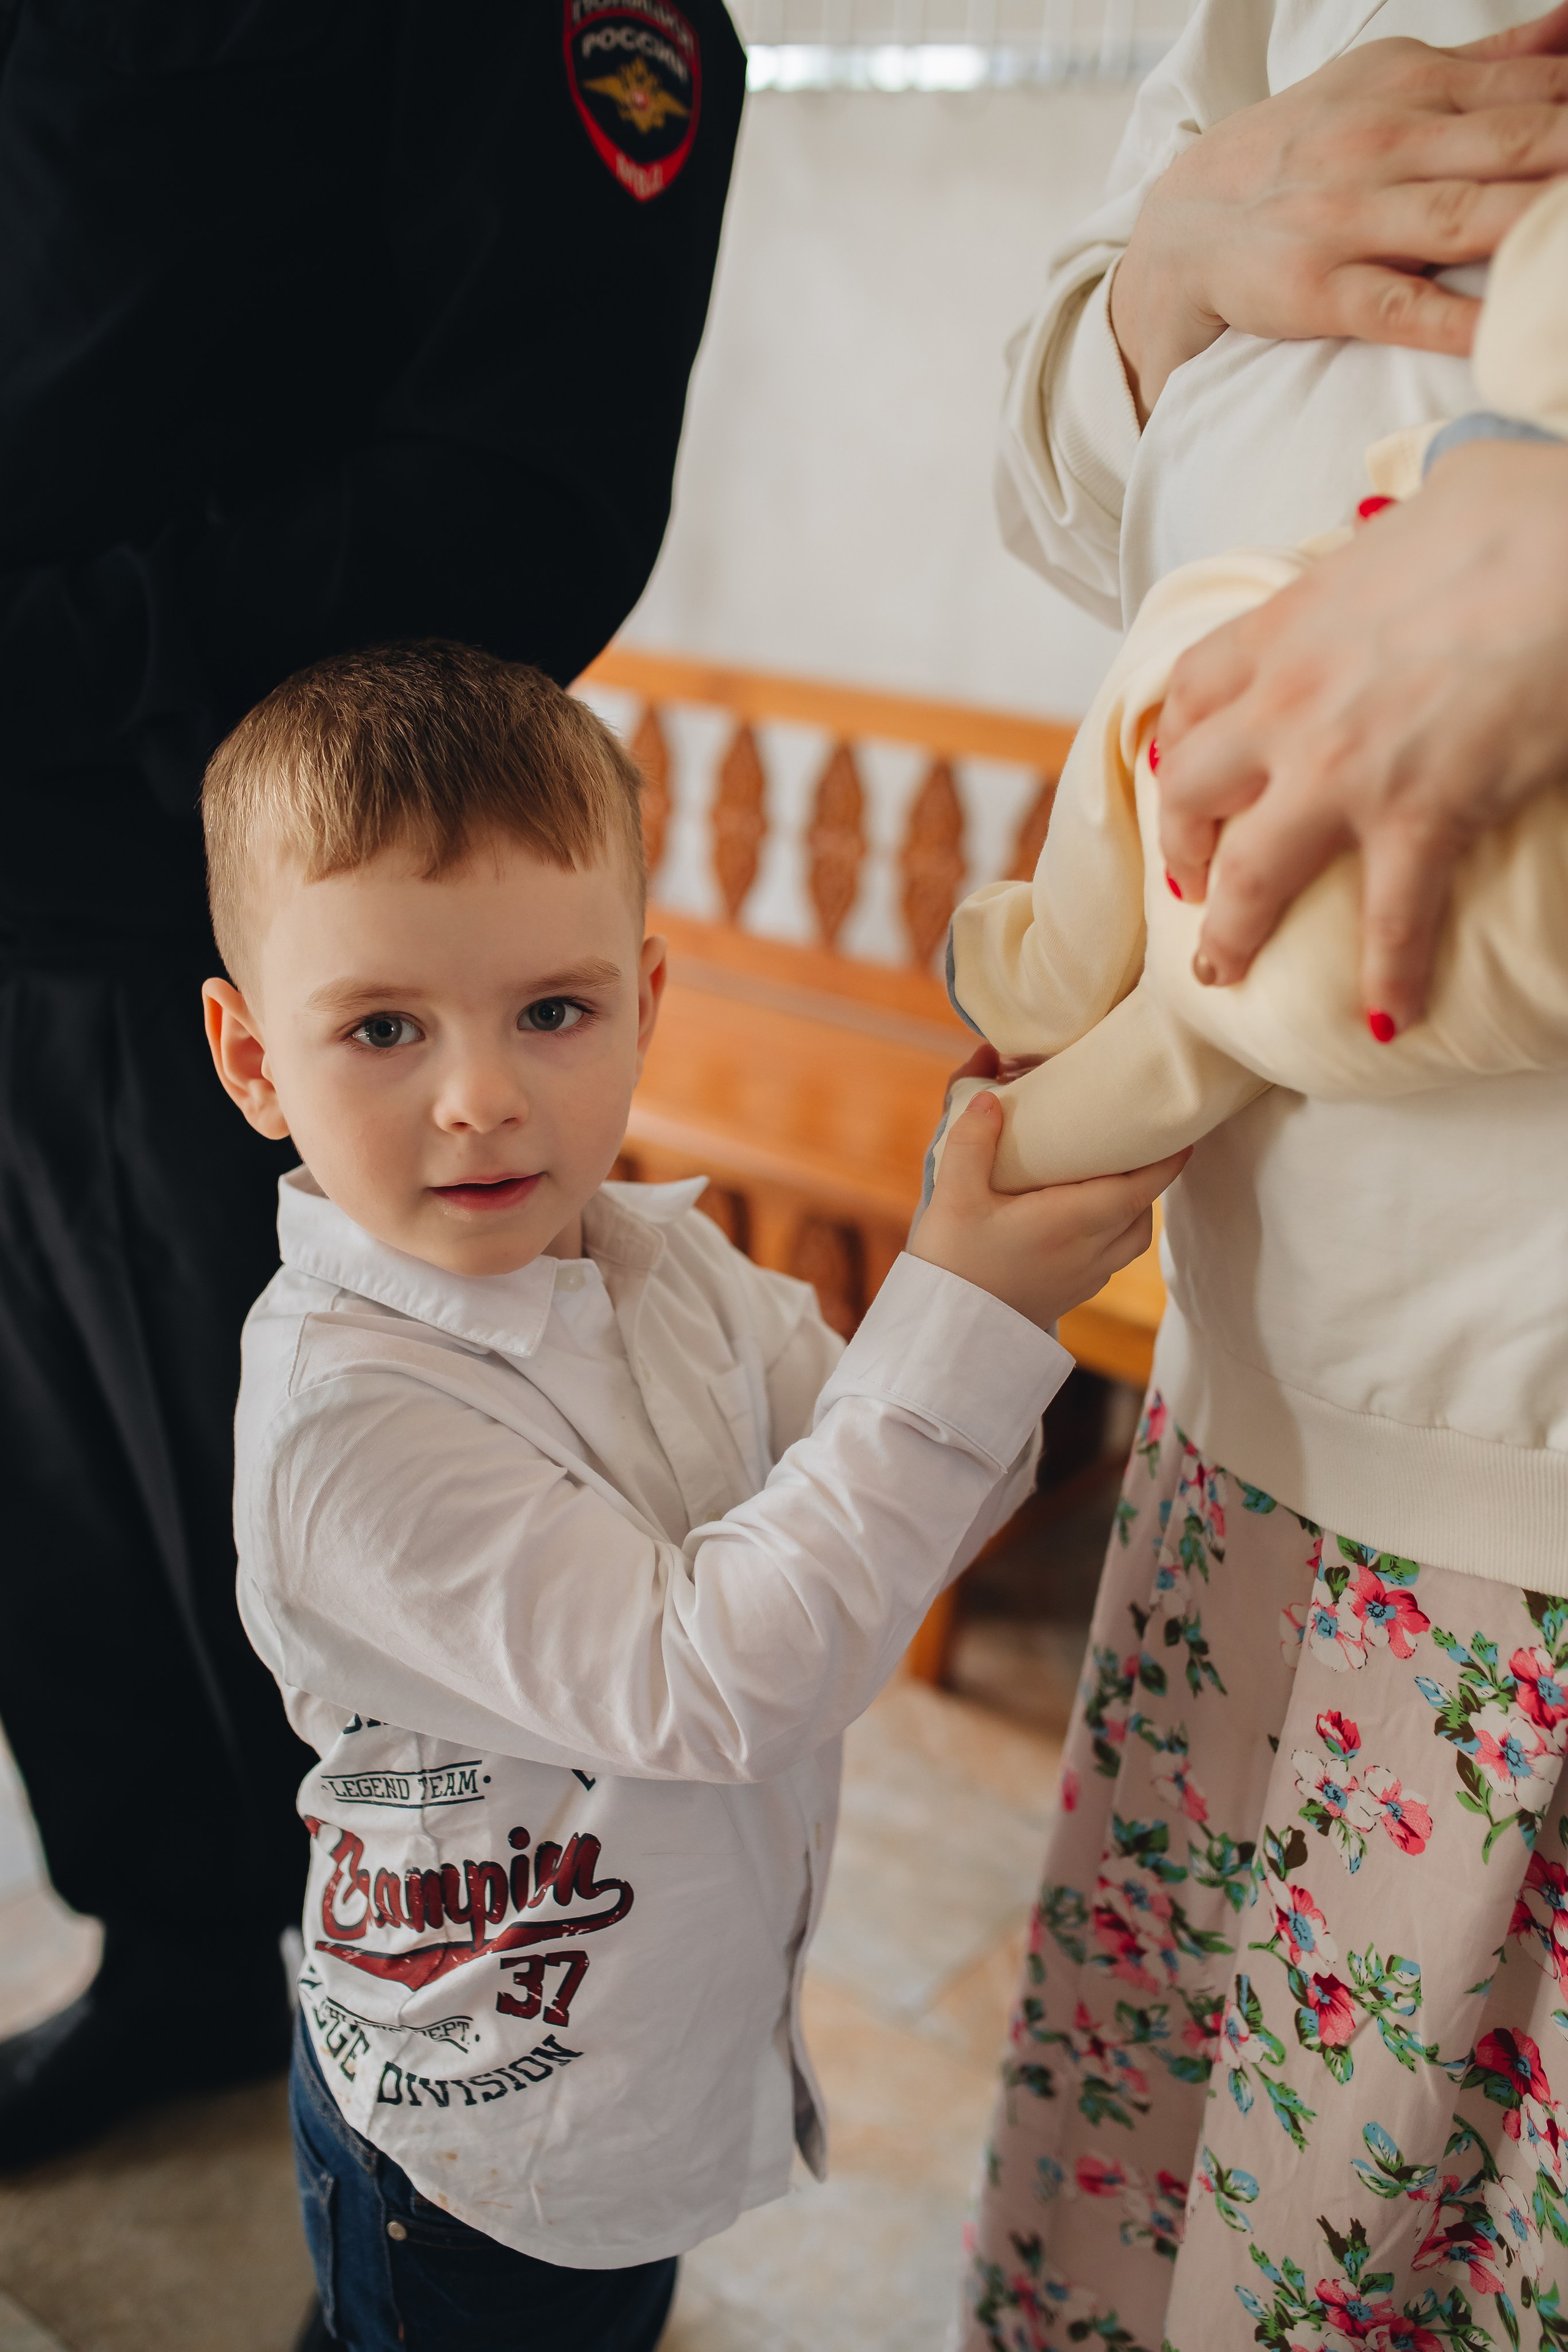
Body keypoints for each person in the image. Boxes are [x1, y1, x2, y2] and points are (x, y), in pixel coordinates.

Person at [195, 637, 1185, 2352]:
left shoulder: (670, 1267)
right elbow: (722, 1680)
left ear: (647, 999)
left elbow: (930, 1492)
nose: (483, 1094)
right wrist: (968, 1318)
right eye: (380, 1028)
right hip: (484, 2134)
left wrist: (979, 1276)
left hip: (652, 2058)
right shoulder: (348, 1424)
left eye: (554, 1011)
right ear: (254, 1058)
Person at [0, 0, 744, 2164]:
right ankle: (180, 1964)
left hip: (246, 940)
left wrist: (57, 655)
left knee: (362, 1590)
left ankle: (469, 2135)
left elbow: (520, 504)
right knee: (65, 1539)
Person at [963, 9, 1568, 2350]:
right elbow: (1059, 471)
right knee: (1183, 2231)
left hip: (1524, 1449)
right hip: (1266, 1409)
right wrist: (1178, 269)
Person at [938, 180, 1568, 1189]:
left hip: (1232, 712)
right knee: (1201, 1034)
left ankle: (1033, 983)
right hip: (1338, 1008)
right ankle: (1010, 1140)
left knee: (1162, 714)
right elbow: (1054, 456)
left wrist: (1459, 471)